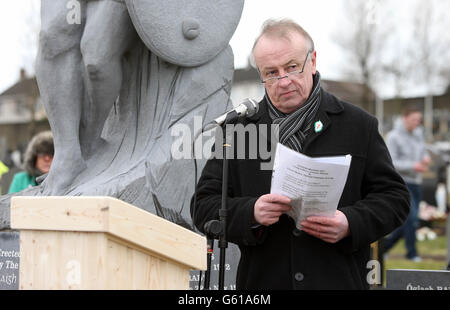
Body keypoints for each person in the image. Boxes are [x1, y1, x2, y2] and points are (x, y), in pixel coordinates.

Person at [191, 19, 410, 289]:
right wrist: (252, 211)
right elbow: (203, 206)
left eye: (292, 67)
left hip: (337, 281)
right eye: (271, 72)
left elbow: (395, 199)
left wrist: (350, 222)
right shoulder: (238, 130)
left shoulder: (358, 125)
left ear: (313, 61)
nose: (283, 81)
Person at [383, 107, 430, 262]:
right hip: (402, 182)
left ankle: (384, 247)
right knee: (412, 218)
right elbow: (391, 162)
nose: (416, 123)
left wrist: (425, 158)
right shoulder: (393, 137)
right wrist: (413, 165)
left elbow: (424, 151)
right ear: (404, 118)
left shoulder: (418, 134)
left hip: (417, 182)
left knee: (411, 220)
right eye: (413, 120)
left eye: (418, 120)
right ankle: (412, 253)